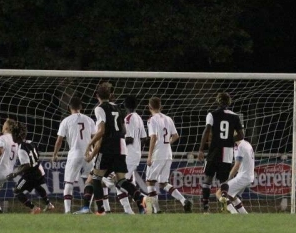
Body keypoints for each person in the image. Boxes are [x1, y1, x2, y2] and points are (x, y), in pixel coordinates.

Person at [83, 85, 139, 215]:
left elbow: (101, 133)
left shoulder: (99, 109)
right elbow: (124, 130)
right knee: (121, 181)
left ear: (97, 96)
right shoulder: (118, 108)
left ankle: (100, 209)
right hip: (120, 147)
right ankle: (140, 198)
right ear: (110, 95)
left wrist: (89, 146)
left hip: (107, 148)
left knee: (95, 179)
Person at [197, 93, 244, 213]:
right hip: (227, 152)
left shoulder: (211, 114)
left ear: (217, 102)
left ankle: (206, 208)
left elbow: (207, 131)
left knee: (208, 179)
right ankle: (223, 198)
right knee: (223, 181)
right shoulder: (235, 116)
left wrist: (201, 149)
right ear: (229, 103)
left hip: (214, 150)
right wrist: (229, 139)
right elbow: (241, 135)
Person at [144, 97, 191, 213]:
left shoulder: (152, 120)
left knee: (150, 181)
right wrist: (166, 143)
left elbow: (153, 137)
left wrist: (149, 155)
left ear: (149, 107)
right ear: (161, 107)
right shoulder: (168, 118)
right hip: (168, 154)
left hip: (158, 154)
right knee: (163, 183)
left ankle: (156, 210)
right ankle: (183, 200)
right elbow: (176, 136)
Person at [52, 97, 95, 214]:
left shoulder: (66, 121)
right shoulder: (89, 120)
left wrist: (55, 154)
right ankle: (87, 207)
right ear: (81, 107)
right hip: (89, 154)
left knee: (69, 183)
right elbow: (95, 138)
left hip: (74, 154)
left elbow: (59, 140)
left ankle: (67, 211)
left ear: (69, 108)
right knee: (90, 181)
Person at [6, 122, 54, 214]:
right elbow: (36, 156)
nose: (12, 137)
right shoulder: (31, 142)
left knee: (17, 191)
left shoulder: (21, 149)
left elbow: (27, 165)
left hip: (31, 174)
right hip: (39, 170)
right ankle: (49, 204)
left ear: (16, 135)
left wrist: (14, 173)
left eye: (13, 135)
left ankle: (33, 207)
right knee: (37, 186)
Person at [216, 137, 254, 214]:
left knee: (219, 193)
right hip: (248, 176)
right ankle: (245, 215)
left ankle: (234, 214)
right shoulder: (247, 144)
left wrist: (228, 178)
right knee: (232, 197)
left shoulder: (240, 146)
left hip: (243, 177)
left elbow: (237, 165)